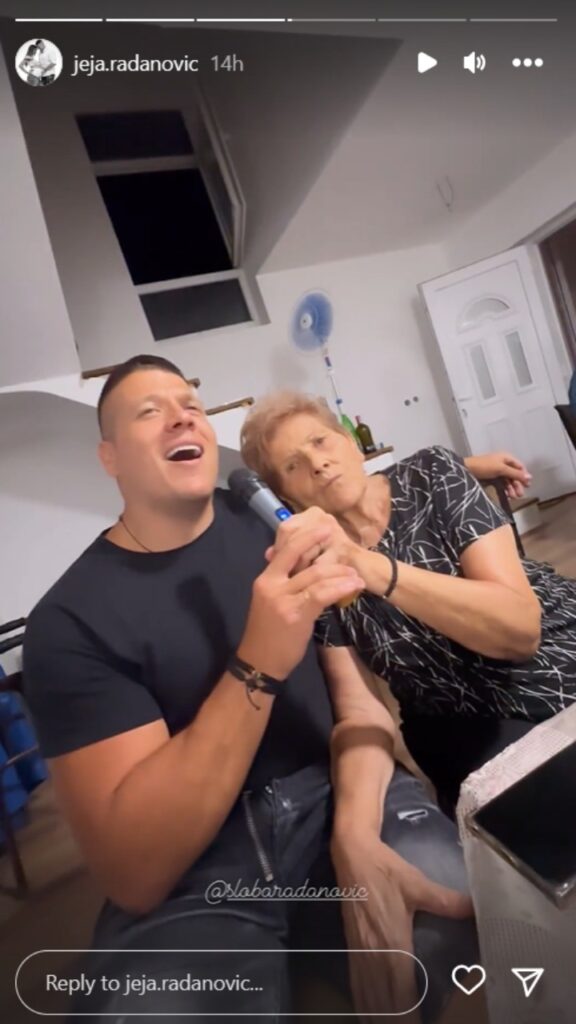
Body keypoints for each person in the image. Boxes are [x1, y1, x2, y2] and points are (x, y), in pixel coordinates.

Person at [22, 356, 475, 1024]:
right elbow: (136, 873)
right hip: (194, 869)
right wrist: (258, 660)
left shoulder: (272, 525)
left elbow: (358, 704)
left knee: (468, 945)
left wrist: (355, 839)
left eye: (191, 405)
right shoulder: (69, 621)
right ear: (109, 456)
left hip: (341, 793)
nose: (181, 417)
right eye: (150, 411)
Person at [240, 391, 576, 813]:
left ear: (351, 443)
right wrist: (355, 826)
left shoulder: (431, 474)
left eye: (320, 441)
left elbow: (520, 633)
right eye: (293, 465)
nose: (317, 463)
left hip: (558, 649)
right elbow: (359, 708)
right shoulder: (313, 569)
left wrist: (368, 566)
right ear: (286, 498)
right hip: (463, 719)